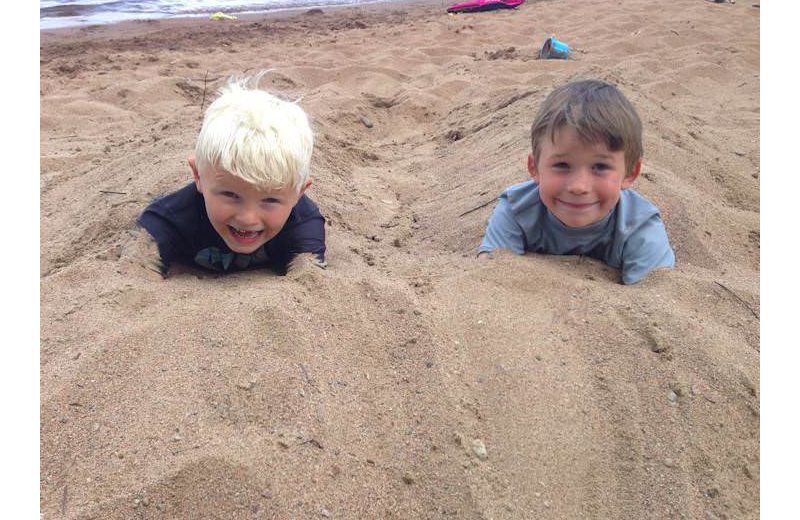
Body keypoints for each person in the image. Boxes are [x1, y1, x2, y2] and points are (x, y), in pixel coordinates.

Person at [478, 79, 674, 284]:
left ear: (630, 173)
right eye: (562, 165)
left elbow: (657, 294)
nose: (579, 187)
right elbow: (491, 279)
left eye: (600, 167)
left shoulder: (639, 225)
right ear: (534, 167)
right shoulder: (516, 209)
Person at [133, 71, 326, 277]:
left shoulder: (303, 225)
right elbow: (137, 268)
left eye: (270, 199)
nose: (247, 218)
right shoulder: (170, 218)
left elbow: (310, 276)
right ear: (198, 175)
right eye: (230, 195)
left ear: (299, 193)